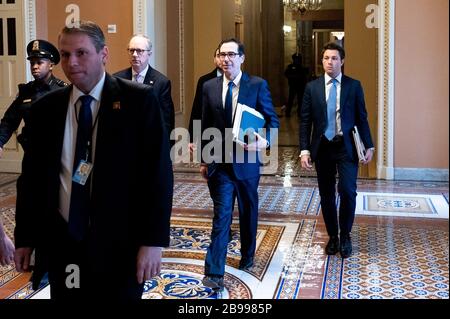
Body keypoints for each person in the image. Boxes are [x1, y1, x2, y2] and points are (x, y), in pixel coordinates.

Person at [13, 21, 173, 300]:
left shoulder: (139, 102)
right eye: (65, 54)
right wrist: (25, 238)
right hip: (65, 242)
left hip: (120, 243)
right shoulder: (45, 109)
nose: (71, 62)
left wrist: (153, 241)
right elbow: (31, 179)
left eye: (81, 53)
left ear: (104, 54)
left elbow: (157, 175)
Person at [200, 38, 279, 291]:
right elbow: (205, 125)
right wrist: (204, 158)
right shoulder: (209, 87)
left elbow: (272, 121)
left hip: (246, 163)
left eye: (232, 54)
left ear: (242, 58)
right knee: (221, 216)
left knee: (248, 211)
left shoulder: (257, 85)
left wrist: (263, 143)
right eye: (223, 54)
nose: (227, 59)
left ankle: (248, 253)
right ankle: (214, 271)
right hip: (220, 166)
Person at [299, 42, 374, 259]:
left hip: (346, 146)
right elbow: (305, 121)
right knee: (326, 194)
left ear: (342, 61)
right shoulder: (311, 88)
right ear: (321, 61)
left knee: (348, 190)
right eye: (325, 58)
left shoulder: (353, 86)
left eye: (333, 58)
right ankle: (333, 235)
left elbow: (362, 117)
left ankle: (346, 235)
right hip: (322, 147)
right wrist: (304, 150)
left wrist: (369, 145)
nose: (329, 62)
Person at [0, 39, 67, 157]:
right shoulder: (26, 91)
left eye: (39, 63)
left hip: (56, 154)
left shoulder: (62, 90)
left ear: (51, 65)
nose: (34, 67)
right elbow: (10, 120)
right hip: (31, 154)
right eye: (32, 63)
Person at [114, 35, 175, 143]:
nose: (135, 55)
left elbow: (166, 121)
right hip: (123, 142)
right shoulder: (117, 79)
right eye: (131, 50)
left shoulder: (161, 82)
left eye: (139, 51)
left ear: (149, 54)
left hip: (150, 143)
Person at [188, 47, 222, 153]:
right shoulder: (204, 81)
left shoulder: (240, 80)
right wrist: (192, 137)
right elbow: (197, 109)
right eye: (218, 56)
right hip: (210, 132)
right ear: (214, 59)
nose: (222, 59)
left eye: (225, 55)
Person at [284, 53, 308, 117]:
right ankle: (288, 112)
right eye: (296, 59)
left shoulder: (302, 68)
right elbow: (286, 74)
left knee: (300, 100)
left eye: (298, 59)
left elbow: (304, 77)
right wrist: (292, 77)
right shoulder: (290, 67)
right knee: (290, 100)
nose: (297, 60)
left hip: (300, 86)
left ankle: (299, 113)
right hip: (293, 86)